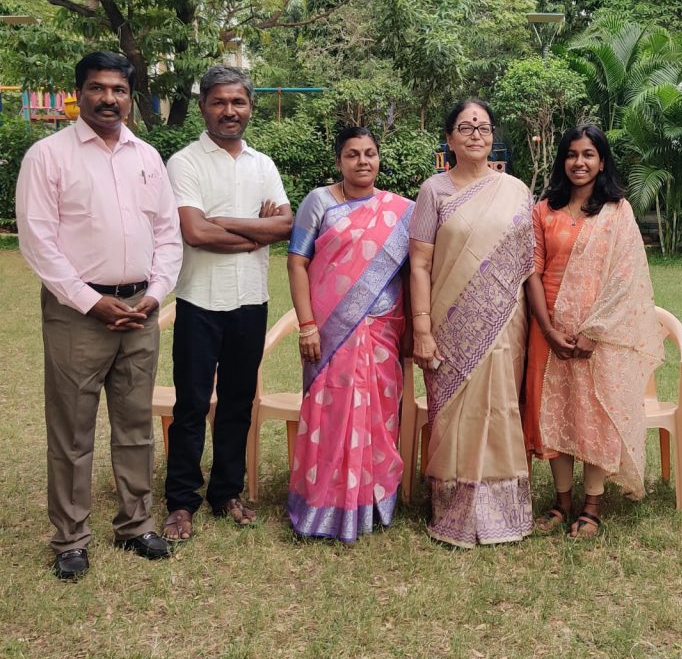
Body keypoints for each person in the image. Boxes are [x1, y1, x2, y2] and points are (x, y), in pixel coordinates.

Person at [16, 51, 182, 579]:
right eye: (97, 88)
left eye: (119, 90)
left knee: (135, 425)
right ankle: (70, 538)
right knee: (72, 430)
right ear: (78, 93)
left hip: (140, 310)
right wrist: (91, 301)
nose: (108, 99)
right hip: (77, 314)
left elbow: (167, 234)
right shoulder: (48, 156)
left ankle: (136, 524)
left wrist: (155, 293)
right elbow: (38, 241)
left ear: (130, 97)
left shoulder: (147, 157)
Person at [162, 65, 293, 541]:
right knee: (191, 404)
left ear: (250, 107)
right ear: (203, 106)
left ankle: (226, 493)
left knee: (238, 402)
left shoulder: (263, 165)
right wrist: (256, 233)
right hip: (199, 301)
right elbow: (195, 232)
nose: (229, 110)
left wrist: (224, 222)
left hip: (250, 301)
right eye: (219, 101)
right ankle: (181, 501)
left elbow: (286, 225)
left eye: (238, 101)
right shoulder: (185, 163)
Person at [524, 125, 662, 539]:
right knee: (555, 412)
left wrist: (594, 331)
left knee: (593, 414)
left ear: (602, 162)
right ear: (562, 160)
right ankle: (562, 502)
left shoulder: (617, 212)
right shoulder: (544, 210)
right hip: (548, 327)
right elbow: (532, 272)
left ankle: (593, 505)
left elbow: (625, 277)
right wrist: (548, 329)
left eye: (588, 155)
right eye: (571, 154)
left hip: (600, 331)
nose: (579, 162)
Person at [408, 99, 534, 548]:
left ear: (492, 135)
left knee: (501, 407)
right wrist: (422, 329)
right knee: (453, 413)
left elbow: (527, 265)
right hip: (447, 325)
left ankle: (503, 509)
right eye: (465, 127)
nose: (476, 134)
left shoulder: (516, 190)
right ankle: (452, 505)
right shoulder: (433, 191)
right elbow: (419, 264)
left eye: (483, 127)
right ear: (449, 138)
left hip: (506, 322)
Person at [285, 127, 414, 542]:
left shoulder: (400, 211)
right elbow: (296, 263)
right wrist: (307, 325)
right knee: (332, 414)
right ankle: (324, 504)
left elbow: (414, 272)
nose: (363, 161)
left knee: (379, 414)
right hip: (330, 333)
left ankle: (374, 502)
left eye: (370, 153)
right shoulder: (319, 202)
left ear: (379, 158)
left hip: (382, 330)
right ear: (339, 161)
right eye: (353, 154)